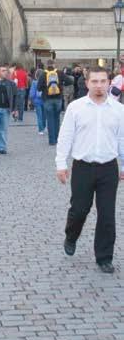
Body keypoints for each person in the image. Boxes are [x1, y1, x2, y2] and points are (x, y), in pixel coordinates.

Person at [56, 66, 124, 274]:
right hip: (83, 167)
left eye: (103, 81)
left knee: (106, 214)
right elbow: (65, 136)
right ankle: (71, 235)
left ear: (108, 83)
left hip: (108, 168)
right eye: (94, 81)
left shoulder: (118, 110)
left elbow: (121, 139)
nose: (99, 85)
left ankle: (104, 257)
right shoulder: (76, 108)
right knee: (79, 209)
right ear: (87, 83)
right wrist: (61, 164)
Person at [37, 62, 63, 146]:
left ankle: (52, 141)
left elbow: (38, 87)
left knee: (50, 119)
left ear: (46, 65)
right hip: (58, 98)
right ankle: (57, 138)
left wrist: (45, 87)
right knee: (57, 119)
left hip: (47, 99)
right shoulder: (59, 73)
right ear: (54, 65)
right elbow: (69, 81)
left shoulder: (43, 74)